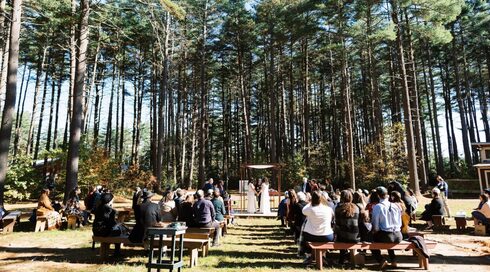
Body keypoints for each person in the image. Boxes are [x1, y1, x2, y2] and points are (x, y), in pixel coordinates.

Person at [371, 186, 403, 269]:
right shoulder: (396, 206)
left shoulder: (377, 207)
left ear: (378, 196)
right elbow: (400, 223)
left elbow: (376, 227)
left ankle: (381, 260)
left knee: (370, 241)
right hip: (398, 235)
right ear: (387, 195)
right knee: (388, 240)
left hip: (386, 235)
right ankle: (393, 260)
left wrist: (374, 232)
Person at [301, 190, 335, 264]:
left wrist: (310, 202)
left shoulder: (310, 209)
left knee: (305, 235)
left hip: (311, 235)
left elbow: (303, 211)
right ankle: (322, 256)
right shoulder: (328, 209)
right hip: (327, 236)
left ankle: (311, 256)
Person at [335, 190, 360, 265]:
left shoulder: (339, 208)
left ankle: (341, 259)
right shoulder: (356, 207)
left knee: (340, 230)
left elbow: (337, 223)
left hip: (343, 236)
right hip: (356, 236)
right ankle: (348, 258)